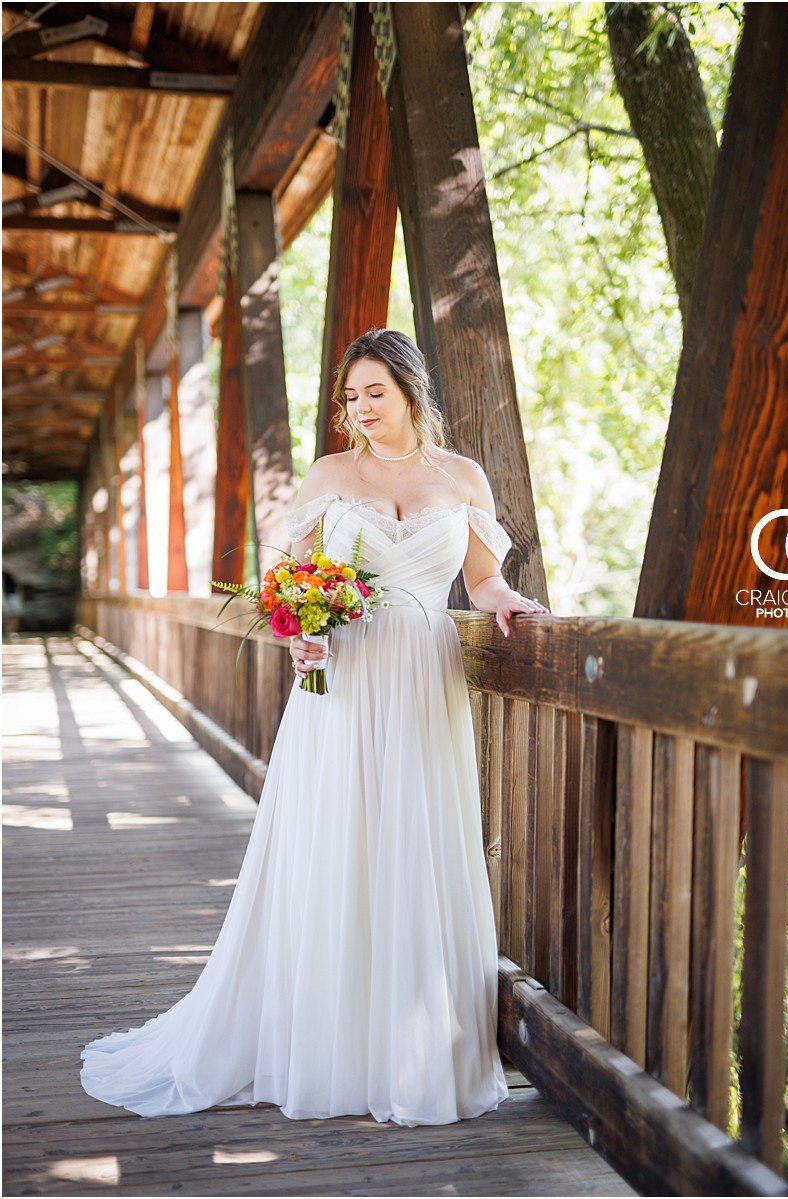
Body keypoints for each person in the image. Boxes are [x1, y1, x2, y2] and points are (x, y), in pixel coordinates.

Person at [80, 328, 549, 1125]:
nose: (363, 408)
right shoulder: (332, 473)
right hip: (344, 680)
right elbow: (289, 580)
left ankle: (413, 1048)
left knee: (415, 840)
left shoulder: (461, 476)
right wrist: (299, 625)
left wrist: (506, 601)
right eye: (353, 395)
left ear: (411, 391)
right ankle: (328, 1041)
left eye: (377, 392)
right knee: (336, 840)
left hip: (425, 673)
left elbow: (482, 577)